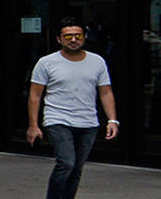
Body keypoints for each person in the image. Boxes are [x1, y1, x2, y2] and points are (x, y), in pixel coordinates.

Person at [27, 18, 117, 199]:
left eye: (78, 35)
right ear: (59, 39)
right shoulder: (46, 62)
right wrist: (33, 125)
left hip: (88, 122)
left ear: (84, 37)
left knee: (76, 169)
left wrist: (112, 120)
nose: (73, 40)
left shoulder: (97, 61)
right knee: (66, 163)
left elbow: (105, 92)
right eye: (68, 36)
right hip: (57, 119)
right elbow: (35, 96)